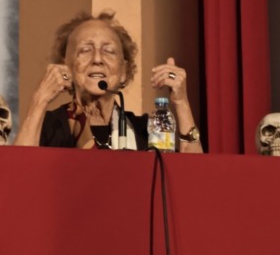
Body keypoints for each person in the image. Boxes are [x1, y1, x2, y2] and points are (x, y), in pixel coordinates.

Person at [14, 10, 203, 153]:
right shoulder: (49, 126)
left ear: (124, 72)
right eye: (85, 50)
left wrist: (181, 102)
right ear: (66, 66)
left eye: (109, 51)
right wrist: (40, 99)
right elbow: (18, 175)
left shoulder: (144, 130)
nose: (97, 59)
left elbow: (191, 176)